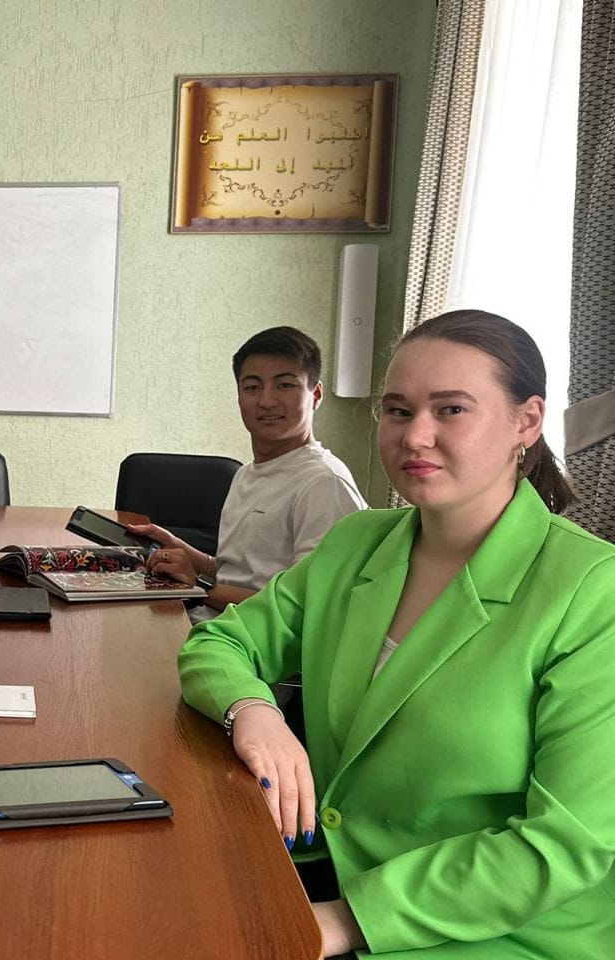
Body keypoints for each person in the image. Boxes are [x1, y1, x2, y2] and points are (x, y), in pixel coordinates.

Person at [178, 310, 615, 959]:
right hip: (327, 870)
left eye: (451, 410)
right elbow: (218, 644)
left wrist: (340, 922)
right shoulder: (357, 542)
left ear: (526, 422)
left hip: (496, 931)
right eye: (398, 411)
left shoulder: (593, 590)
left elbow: (564, 844)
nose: (416, 436)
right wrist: (254, 711)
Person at [134, 326, 364, 623]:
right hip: (213, 623)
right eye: (252, 387)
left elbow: (307, 608)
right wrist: (186, 554)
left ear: (316, 394)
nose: (267, 401)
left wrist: (199, 586)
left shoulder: (324, 483)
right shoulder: (245, 473)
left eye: (285, 385)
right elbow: (239, 573)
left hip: (256, 645)